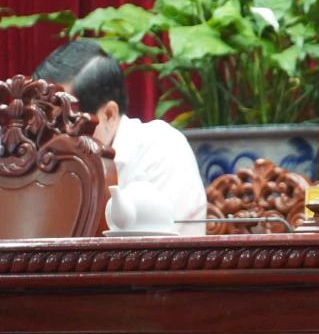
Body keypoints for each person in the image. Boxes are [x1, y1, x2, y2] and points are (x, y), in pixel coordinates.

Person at [34, 40, 208, 236]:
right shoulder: (40, 158)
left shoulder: (161, 149)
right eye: (41, 119)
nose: (49, 136)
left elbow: (155, 254)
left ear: (109, 114)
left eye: (62, 120)